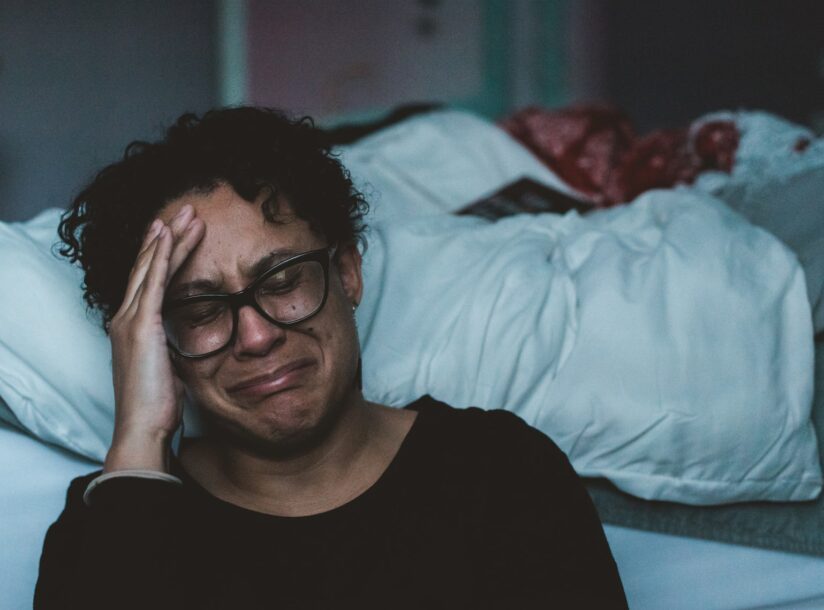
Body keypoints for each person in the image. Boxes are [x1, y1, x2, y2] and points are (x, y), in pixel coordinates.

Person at [34, 107, 628, 609]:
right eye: (201, 309)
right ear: (158, 342)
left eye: (283, 279)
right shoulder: (109, 522)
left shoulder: (501, 474)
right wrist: (139, 435)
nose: (257, 337)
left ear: (346, 273)